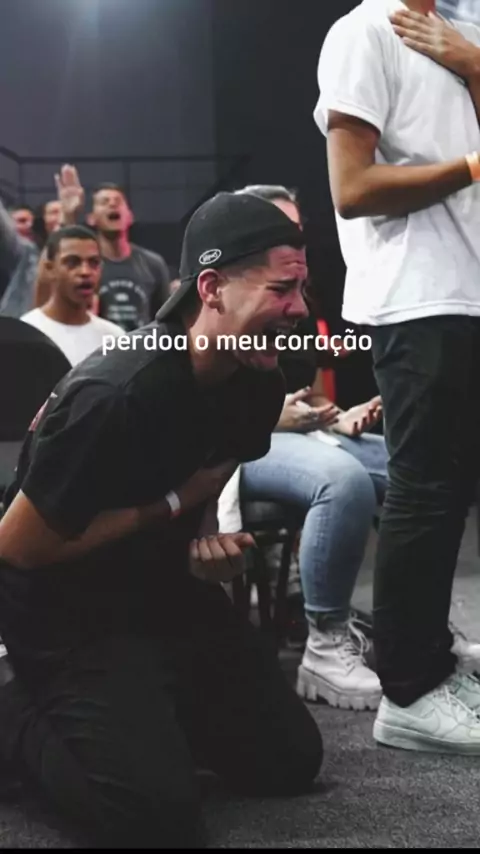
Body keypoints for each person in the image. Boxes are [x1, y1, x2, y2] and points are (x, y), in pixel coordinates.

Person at [0, 192, 322, 847]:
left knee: (289, 762)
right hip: (64, 613)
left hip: (161, 593)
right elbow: (18, 548)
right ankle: (13, 708)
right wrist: (170, 506)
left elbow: (214, 468)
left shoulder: (259, 376)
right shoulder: (115, 394)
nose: (299, 309)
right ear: (211, 288)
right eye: (281, 289)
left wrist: (203, 538)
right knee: (157, 820)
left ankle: (144, 712)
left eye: (302, 288)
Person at [316, 0, 480, 753]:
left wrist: (474, 65)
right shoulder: (363, 31)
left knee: (450, 489)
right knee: (425, 488)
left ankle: (433, 660)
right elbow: (351, 187)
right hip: (416, 295)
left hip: (466, 292)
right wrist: (471, 167)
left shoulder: (464, 32)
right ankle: (408, 690)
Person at [234, 185, 386, 710]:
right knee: (341, 481)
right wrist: (276, 417)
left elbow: (313, 391)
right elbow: (202, 404)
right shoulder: (223, 292)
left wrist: (337, 417)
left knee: (415, 467)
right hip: (240, 439)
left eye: (296, 227)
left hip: (301, 430)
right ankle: (325, 644)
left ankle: (416, 626)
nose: (292, 237)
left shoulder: (299, 297)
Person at [40, 165, 171, 331]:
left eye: (118, 201)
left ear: (130, 216)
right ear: (91, 218)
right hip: (95, 343)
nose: (112, 204)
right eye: (104, 202)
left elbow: (166, 321)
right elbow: (46, 288)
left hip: (140, 346)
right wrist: (67, 216)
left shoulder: (153, 264)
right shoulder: (84, 265)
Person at [22, 226, 123, 367]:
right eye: (72, 262)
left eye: (93, 263)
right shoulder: (26, 333)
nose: (85, 272)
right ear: (50, 269)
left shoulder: (114, 338)